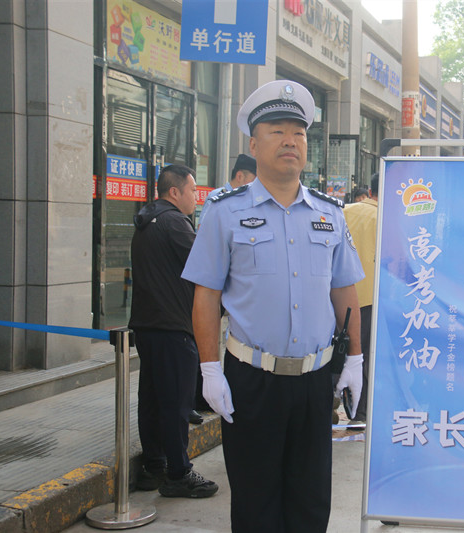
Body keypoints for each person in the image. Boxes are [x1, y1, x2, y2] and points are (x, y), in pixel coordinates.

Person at [182, 80, 364, 532]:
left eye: (298, 133)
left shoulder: (329, 213)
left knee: (310, 503)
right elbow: (206, 295)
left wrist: (355, 359)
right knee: (255, 504)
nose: (290, 141)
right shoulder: (224, 212)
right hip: (252, 380)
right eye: (277, 131)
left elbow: (345, 291)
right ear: (253, 143)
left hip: (315, 381)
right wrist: (209, 369)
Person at [128, 164, 219, 498]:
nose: (197, 197)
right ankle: (179, 473)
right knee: (177, 403)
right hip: (173, 326)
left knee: (152, 400)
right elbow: (206, 264)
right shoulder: (175, 222)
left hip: (147, 325)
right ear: (174, 192)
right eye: (193, 190)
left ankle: (154, 466)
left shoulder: (146, 222)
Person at [342, 174, 379, 423]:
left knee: (337, 350)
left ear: (369, 190)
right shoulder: (388, 217)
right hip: (370, 299)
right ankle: (359, 412)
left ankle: (329, 404)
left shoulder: (344, 211)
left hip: (339, 294)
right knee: (365, 355)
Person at [198, 153, 257, 225]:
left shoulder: (250, 200)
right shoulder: (217, 197)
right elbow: (203, 228)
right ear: (239, 176)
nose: (255, 185)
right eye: (254, 180)